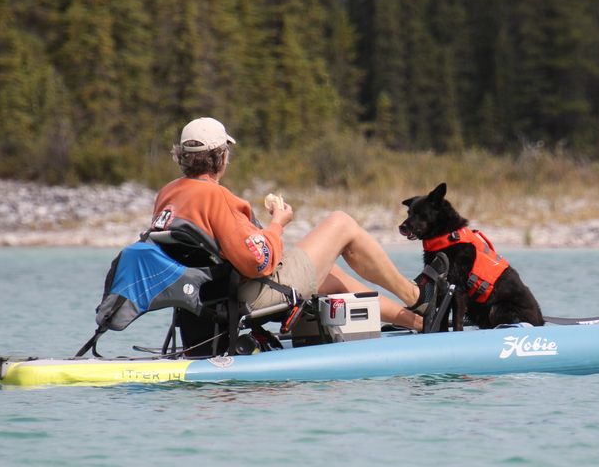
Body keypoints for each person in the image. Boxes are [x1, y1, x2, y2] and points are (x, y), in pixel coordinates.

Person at [151, 117, 424, 330]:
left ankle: (418, 323)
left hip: (204, 297)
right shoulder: (216, 196)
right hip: (246, 295)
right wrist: (278, 224)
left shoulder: (169, 194)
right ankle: (418, 298)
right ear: (220, 157)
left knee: (334, 277)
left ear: (183, 157)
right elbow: (258, 263)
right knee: (341, 223)